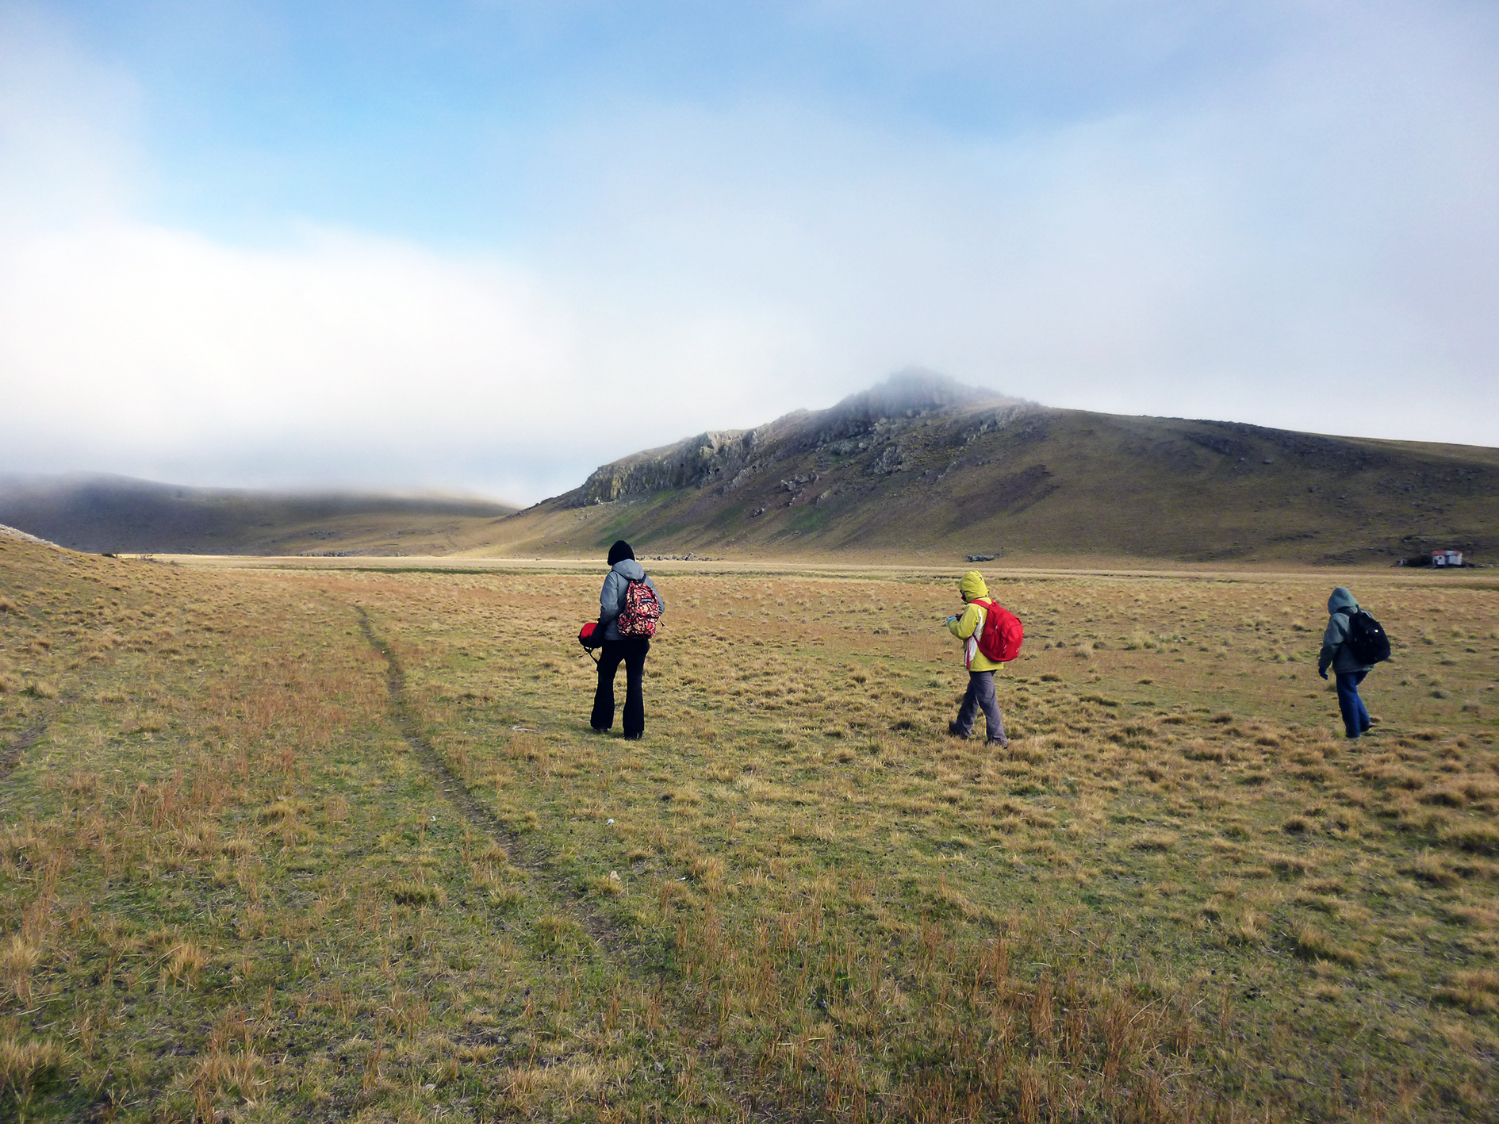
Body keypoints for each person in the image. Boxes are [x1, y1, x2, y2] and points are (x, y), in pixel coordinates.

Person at [590, 540, 664, 740]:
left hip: (614, 639)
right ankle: (634, 731)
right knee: (634, 682)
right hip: (639, 640)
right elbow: (660, 607)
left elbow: (609, 609)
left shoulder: (613, 576)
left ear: (613, 558)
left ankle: (601, 724)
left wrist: (604, 623)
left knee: (606, 678)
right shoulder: (645, 578)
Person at [945, 570, 1009, 748]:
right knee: (972, 695)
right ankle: (961, 728)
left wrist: (951, 622)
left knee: (987, 701)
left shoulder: (973, 608)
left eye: (962, 591)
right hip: (992, 659)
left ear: (968, 590)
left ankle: (998, 739)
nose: (961, 595)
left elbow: (962, 632)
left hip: (979, 662)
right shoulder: (990, 604)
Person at [1317, 586, 1375, 740]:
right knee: (1351, 691)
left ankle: (1353, 732)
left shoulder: (1338, 618)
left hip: (1347, 665)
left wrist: (1323, 665)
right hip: (1367, 662)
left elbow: (1331, 645)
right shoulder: (1366, 614)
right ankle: (1364, 721)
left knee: (1347, 696)